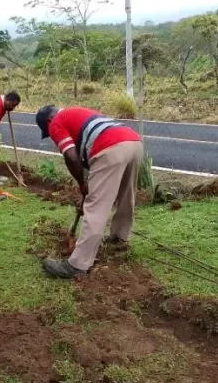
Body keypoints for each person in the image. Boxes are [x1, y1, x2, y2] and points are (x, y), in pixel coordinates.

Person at [35, 105, 144, 278]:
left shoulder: (56, 122)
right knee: (126, 195)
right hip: (133, 143)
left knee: (95, 208)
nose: (51, 136)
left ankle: (77, 265)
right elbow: (86, 156)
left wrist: (82, 184)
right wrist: (85, 185)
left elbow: (71, 156)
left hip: (110, 147)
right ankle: (119, 237)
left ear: (48, 120)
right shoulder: (77, 111)